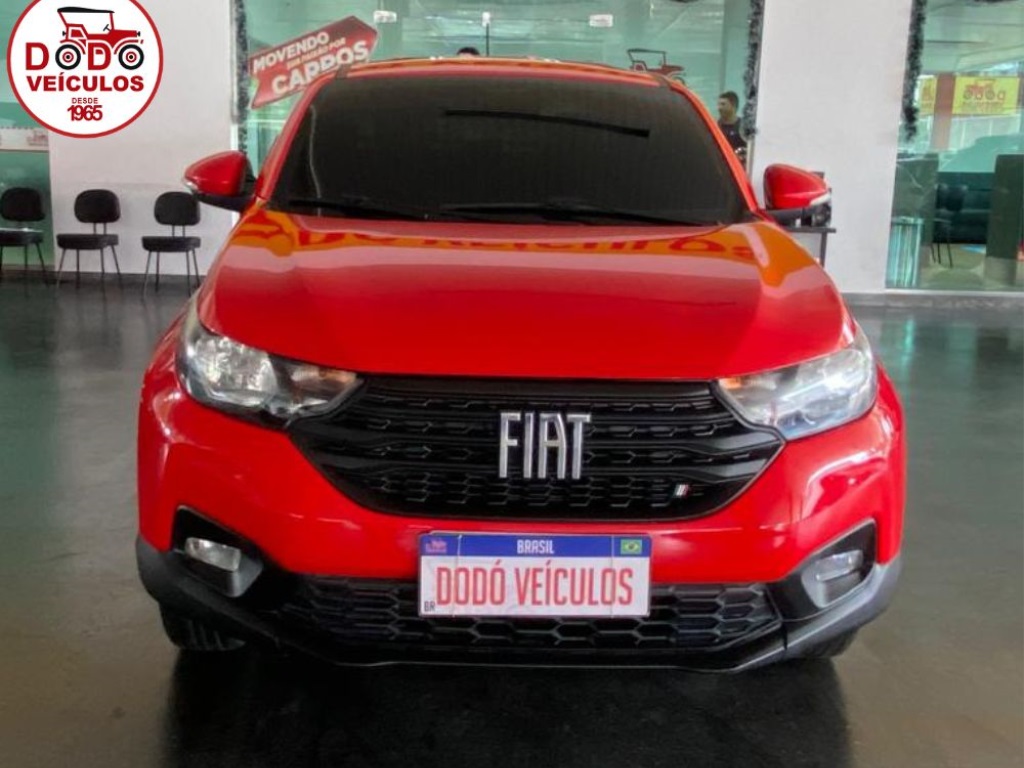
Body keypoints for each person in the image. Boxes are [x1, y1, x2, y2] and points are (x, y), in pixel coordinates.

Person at [716, 91, 747, 158]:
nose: (719, 108)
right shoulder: (715, 127)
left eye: (723, 104)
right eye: (718, 104)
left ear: (733, 106)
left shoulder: (743, 127)